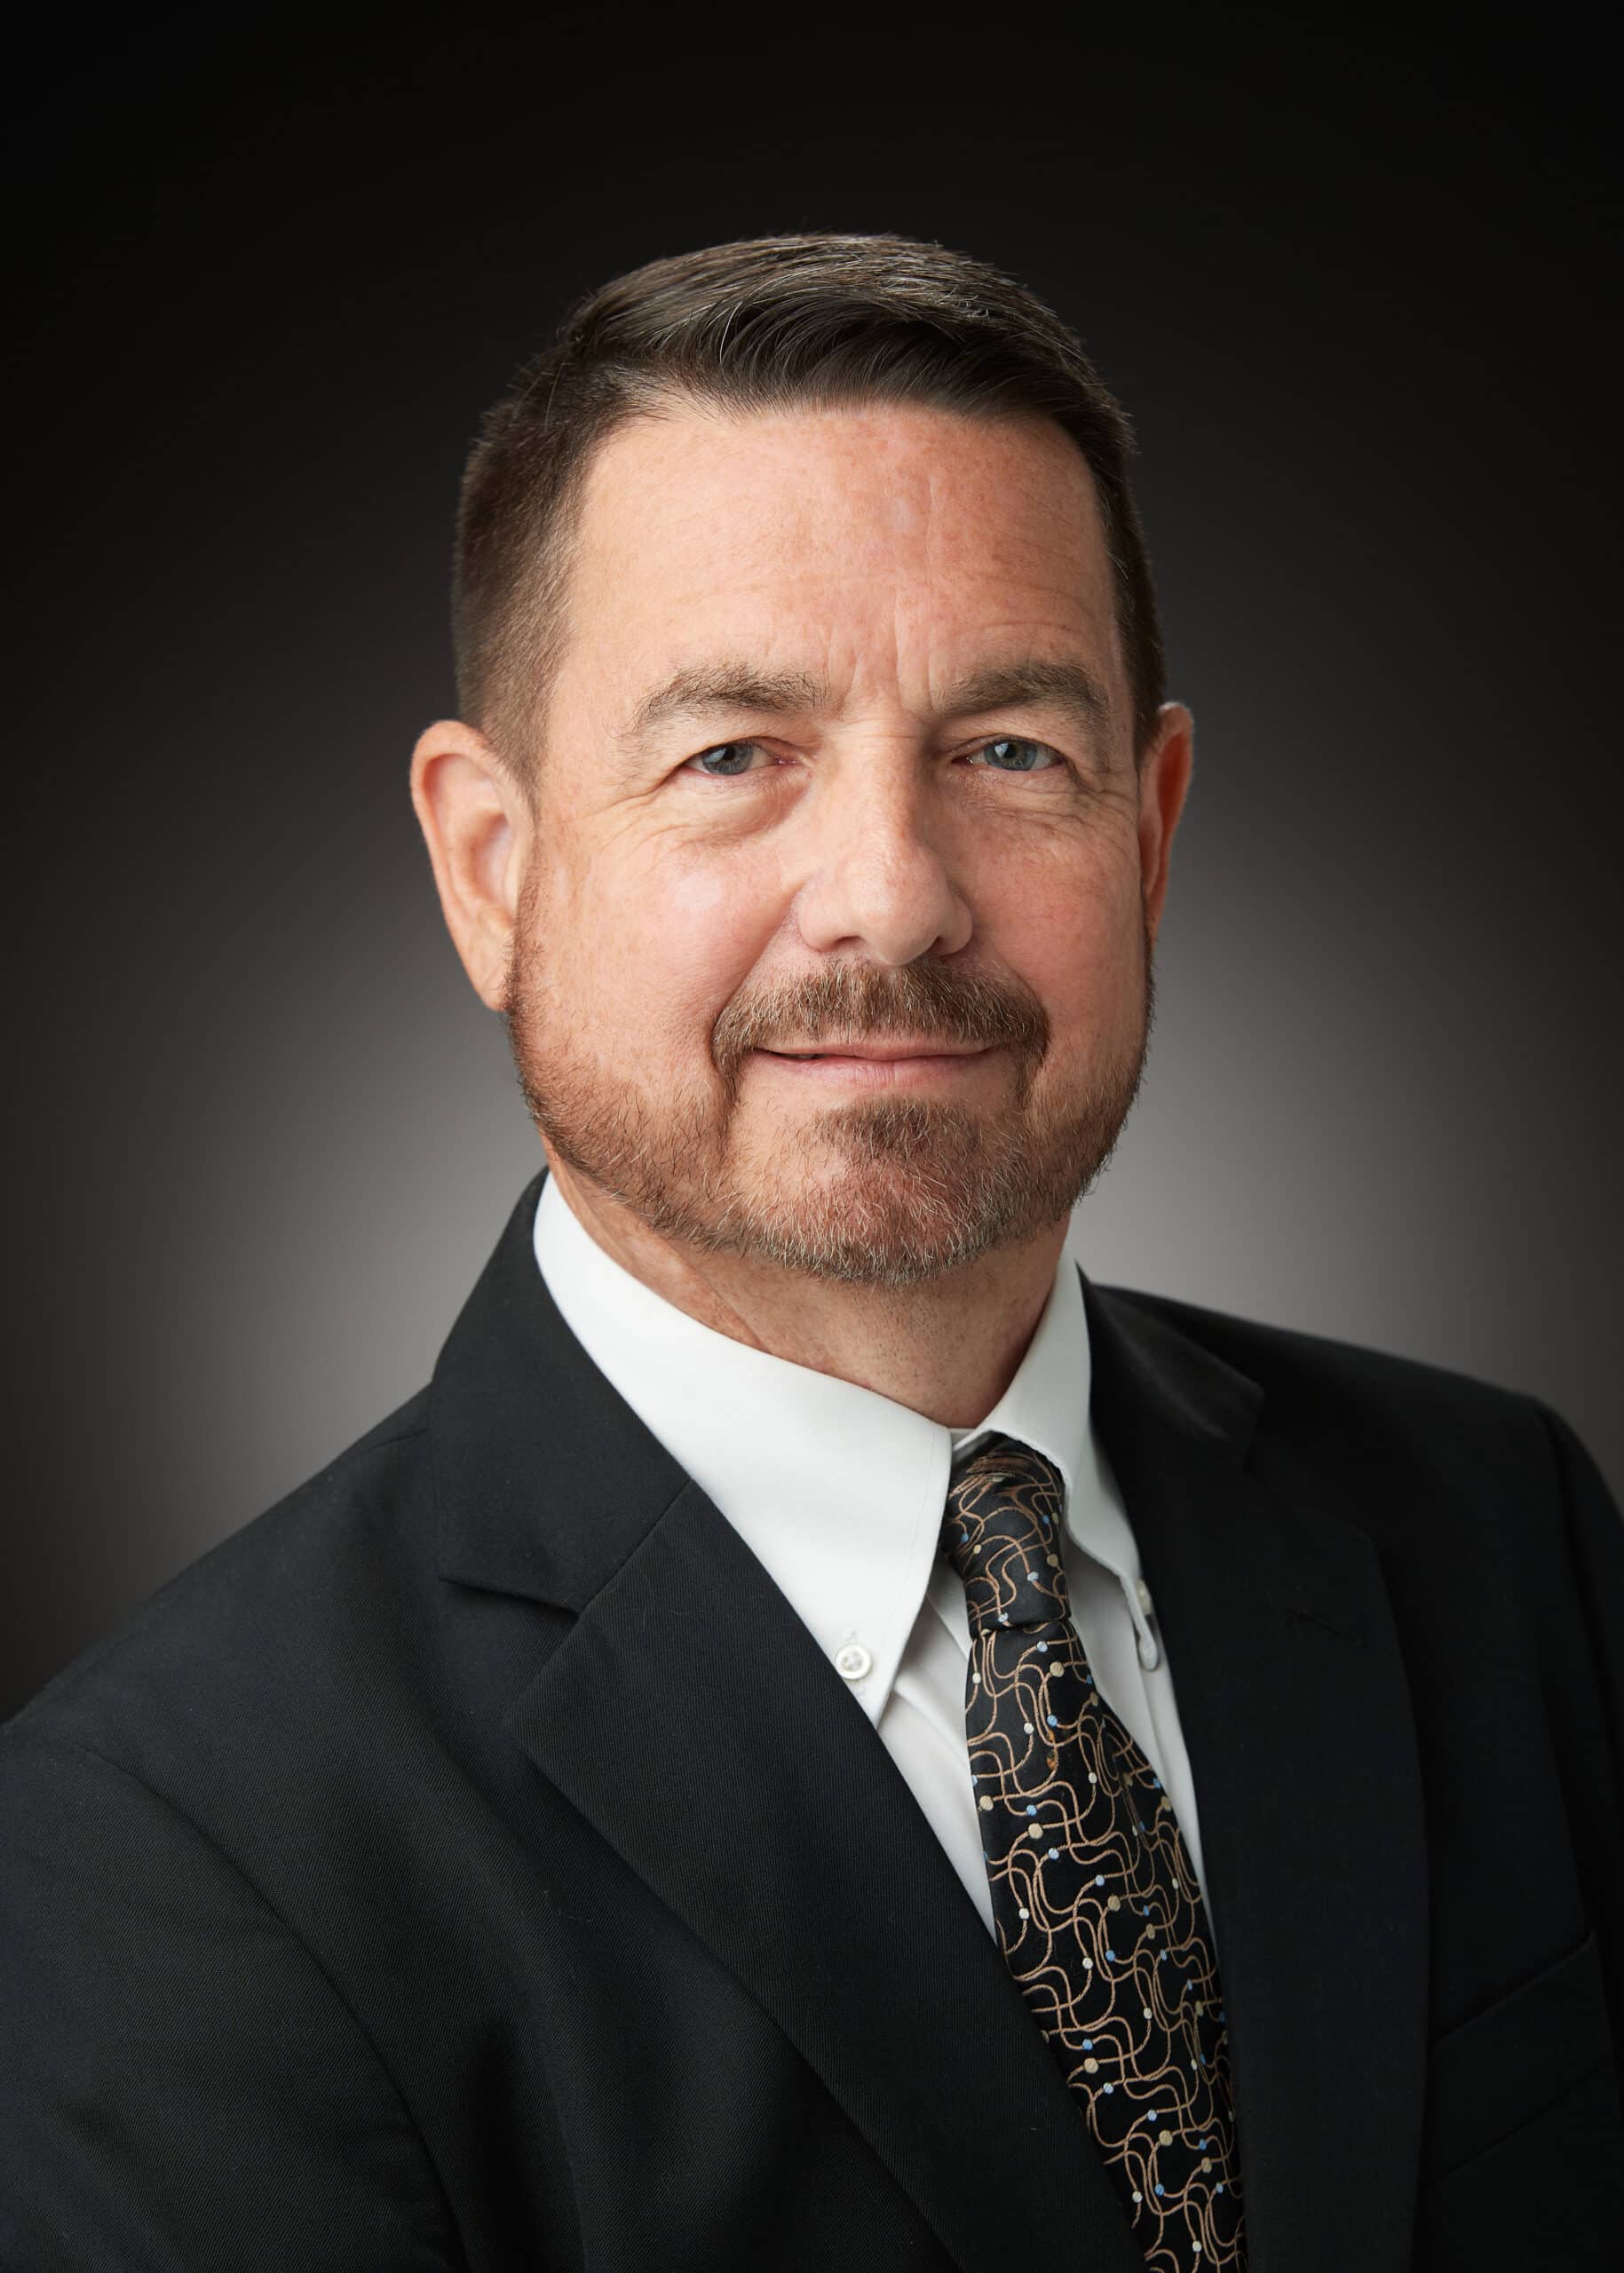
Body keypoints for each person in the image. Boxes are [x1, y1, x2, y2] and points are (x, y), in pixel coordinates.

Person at [3, 231, 1620, 2273]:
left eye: (1010, 750)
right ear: (493, 870)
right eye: (733, 755)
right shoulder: (158, 1856)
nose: (894, 893)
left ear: (1153, 829)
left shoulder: (1500, 1531)